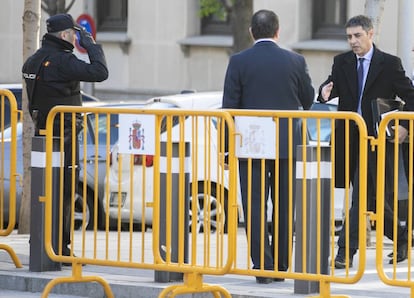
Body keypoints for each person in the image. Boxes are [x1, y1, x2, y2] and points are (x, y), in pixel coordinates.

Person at [222, 9, 314, 284]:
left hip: (250, 144)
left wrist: (227, 150)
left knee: (254, 205)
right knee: (285, 204)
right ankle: (282, 265)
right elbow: (307, 100)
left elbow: (230, 107)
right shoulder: (295, 60)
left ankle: (262, 265)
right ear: (278, 31)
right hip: (287, 143)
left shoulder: (238, 61)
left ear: (251, 32)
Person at [318, 15, 414, 269]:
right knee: (373, 201)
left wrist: (404, 126)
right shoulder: (342, 62)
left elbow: (411, 96)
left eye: (358, 35)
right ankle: (403, 238)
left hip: (377, 141)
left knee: (360, 198)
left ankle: (344, 252)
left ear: (371, 34)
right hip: (350, 139)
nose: (353, 41)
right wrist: (325, 91)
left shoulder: (390, 64)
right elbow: (331, 86)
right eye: (349, 36)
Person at [22, 13, 108, 263]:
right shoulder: (63, 61)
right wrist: (90, 44)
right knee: (65, 190)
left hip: (43, 135)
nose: (75, 37)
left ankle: (41, 243)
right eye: (73, 33)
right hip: (65, 137)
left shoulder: (33, 60)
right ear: (65, 35)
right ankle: (60, 248)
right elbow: (100, 72)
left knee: (45, 190)